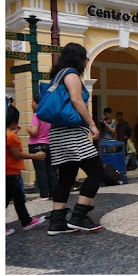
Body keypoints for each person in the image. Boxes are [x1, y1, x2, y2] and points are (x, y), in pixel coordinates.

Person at [47, 43, 104, 234]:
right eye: (85, 58)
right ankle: (79, 215)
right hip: (72, 133)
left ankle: (57, 222)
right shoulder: (71, 74)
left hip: (58, 133)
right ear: (79, 58)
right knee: (96, 172)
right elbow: (76, 100)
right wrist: (92, 124)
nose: (87, 61)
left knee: (66, 177)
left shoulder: (58, 75)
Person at [6, 105, 47, 236]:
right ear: (13, 122)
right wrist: (34, 156)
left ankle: (26, 221)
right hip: (10, 173)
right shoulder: (11, 137)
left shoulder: (8, 135)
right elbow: (16, 154)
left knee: (19, 199)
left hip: (13, 173)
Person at [27, 95, 57, 200]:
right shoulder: (50, 115)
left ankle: (43, 194)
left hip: (36, 144)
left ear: (37, 104)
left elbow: (34, 132)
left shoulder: (37, 115)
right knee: (51, 169)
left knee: (40, 170)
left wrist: (28, 129)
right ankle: (53, 193)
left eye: (33, 102)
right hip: (49, 144)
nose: (32, 104)